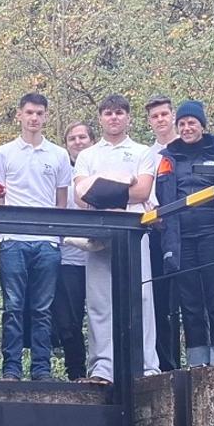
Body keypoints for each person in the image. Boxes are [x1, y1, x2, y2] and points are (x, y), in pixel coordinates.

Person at [73, 94, 161, 383]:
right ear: (100, 118)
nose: (114, 117)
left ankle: (147, 366)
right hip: (97, 230)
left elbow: (143, 192)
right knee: (99, 300)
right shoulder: (88, 155)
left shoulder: (142, 151)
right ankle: (102, 368)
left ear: (128, 117)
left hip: (134, 230)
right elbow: (80, 197)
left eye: (120, 112)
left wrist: (103, 191)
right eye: (108, 113)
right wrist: (125, 185)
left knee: (143, 296)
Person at [0, 93, 73, 381]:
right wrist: (1, 235)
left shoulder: (59, 154)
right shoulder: (3, 153)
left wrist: (57, 238)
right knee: (13, 307)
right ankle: (10, 368)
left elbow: (61, 200)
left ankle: (42, 368)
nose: (34, 118)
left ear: (46, 116)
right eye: (29, 112)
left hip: (46, 242)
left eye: (39, 113)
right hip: (14, 239)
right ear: (19, 115)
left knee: (42, 309)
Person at [163, 101, 214, 366]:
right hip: (182, 236)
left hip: (213, 231)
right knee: (190, 299)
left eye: (192, 122)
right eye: (182, 124)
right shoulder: (169, 156)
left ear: (202, 124)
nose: (187, 128)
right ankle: (197, 361)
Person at [143, 94, 181, 371]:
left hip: (191, 233)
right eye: (155, 116)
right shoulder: (147, 156)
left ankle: (201, 359)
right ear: (149, 122)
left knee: (193, 297)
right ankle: (166, 363)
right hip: (158, 232)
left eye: (164, 114)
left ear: (173, 115)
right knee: (159, 301)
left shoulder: (190, 146)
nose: (160, 120)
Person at [55, 122, 95, 380]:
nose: (78, 142)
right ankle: (76, 372)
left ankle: (104, 368)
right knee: (68, 320)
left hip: (99, 257)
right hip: (68, 257)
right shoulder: (61, 173)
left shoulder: (101, 168)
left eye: (82, 137)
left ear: (92, 141)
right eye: (72, 138)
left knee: (101, 316)